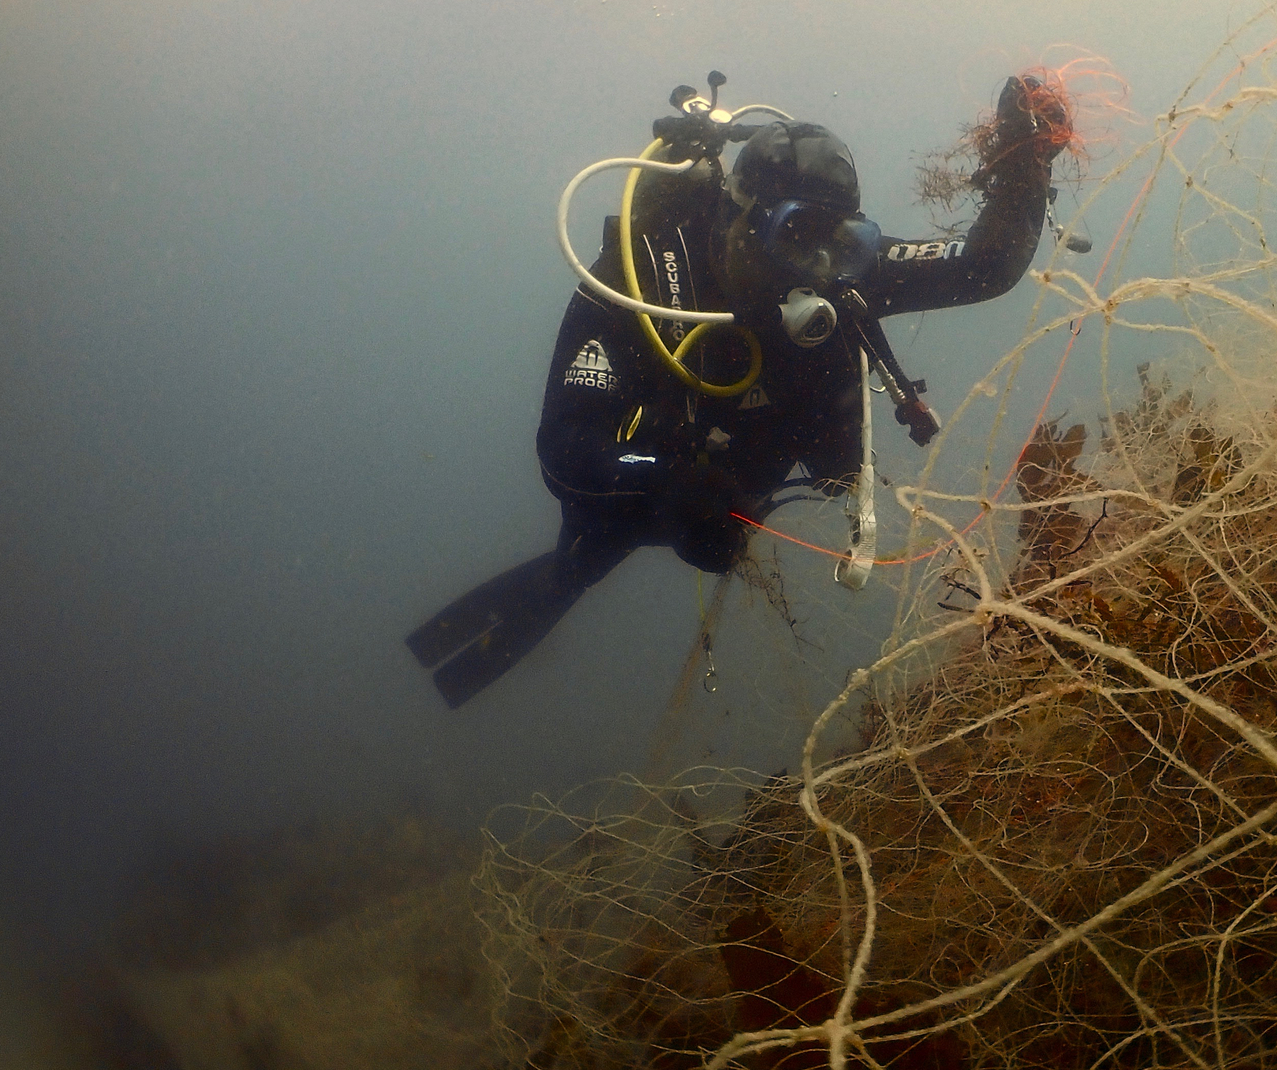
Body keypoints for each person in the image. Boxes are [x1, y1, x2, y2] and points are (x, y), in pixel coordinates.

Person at [405, 74, 1070, 708]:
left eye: (839, 240)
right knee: (584, 553)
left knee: (581, 569)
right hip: (653, 477)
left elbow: (985, 267)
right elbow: (565, 446)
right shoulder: (638, 282)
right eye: (793, 237)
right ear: (736, 217)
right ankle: (523, 604)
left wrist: (1025, 154)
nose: (814, 268)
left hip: (751, 475)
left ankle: (558, 582)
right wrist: (668, 482)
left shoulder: (843, 272)